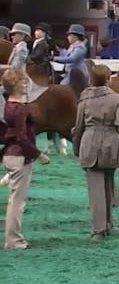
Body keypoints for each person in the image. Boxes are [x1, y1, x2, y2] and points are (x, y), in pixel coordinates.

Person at [72, 64, 119, 241]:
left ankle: (98, 229)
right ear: (107, 79)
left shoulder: (84, 99)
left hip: (90, 142)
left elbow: (78, 126)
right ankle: (108, 224)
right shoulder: (118, 99)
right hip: (111, 142)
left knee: (96, 188)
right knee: (108, 185)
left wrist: (76, 148)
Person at [2, 68, 50, 249]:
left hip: (11, 154)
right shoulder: (20, 109)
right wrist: (39, 154)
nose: (26, 84)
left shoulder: (9, 105)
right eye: (23, 82)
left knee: (15, 200)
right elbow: (22, 137)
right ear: (14, 85)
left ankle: (12, 238)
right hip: (19, 157)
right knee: (17, 202)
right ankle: (14, 240)